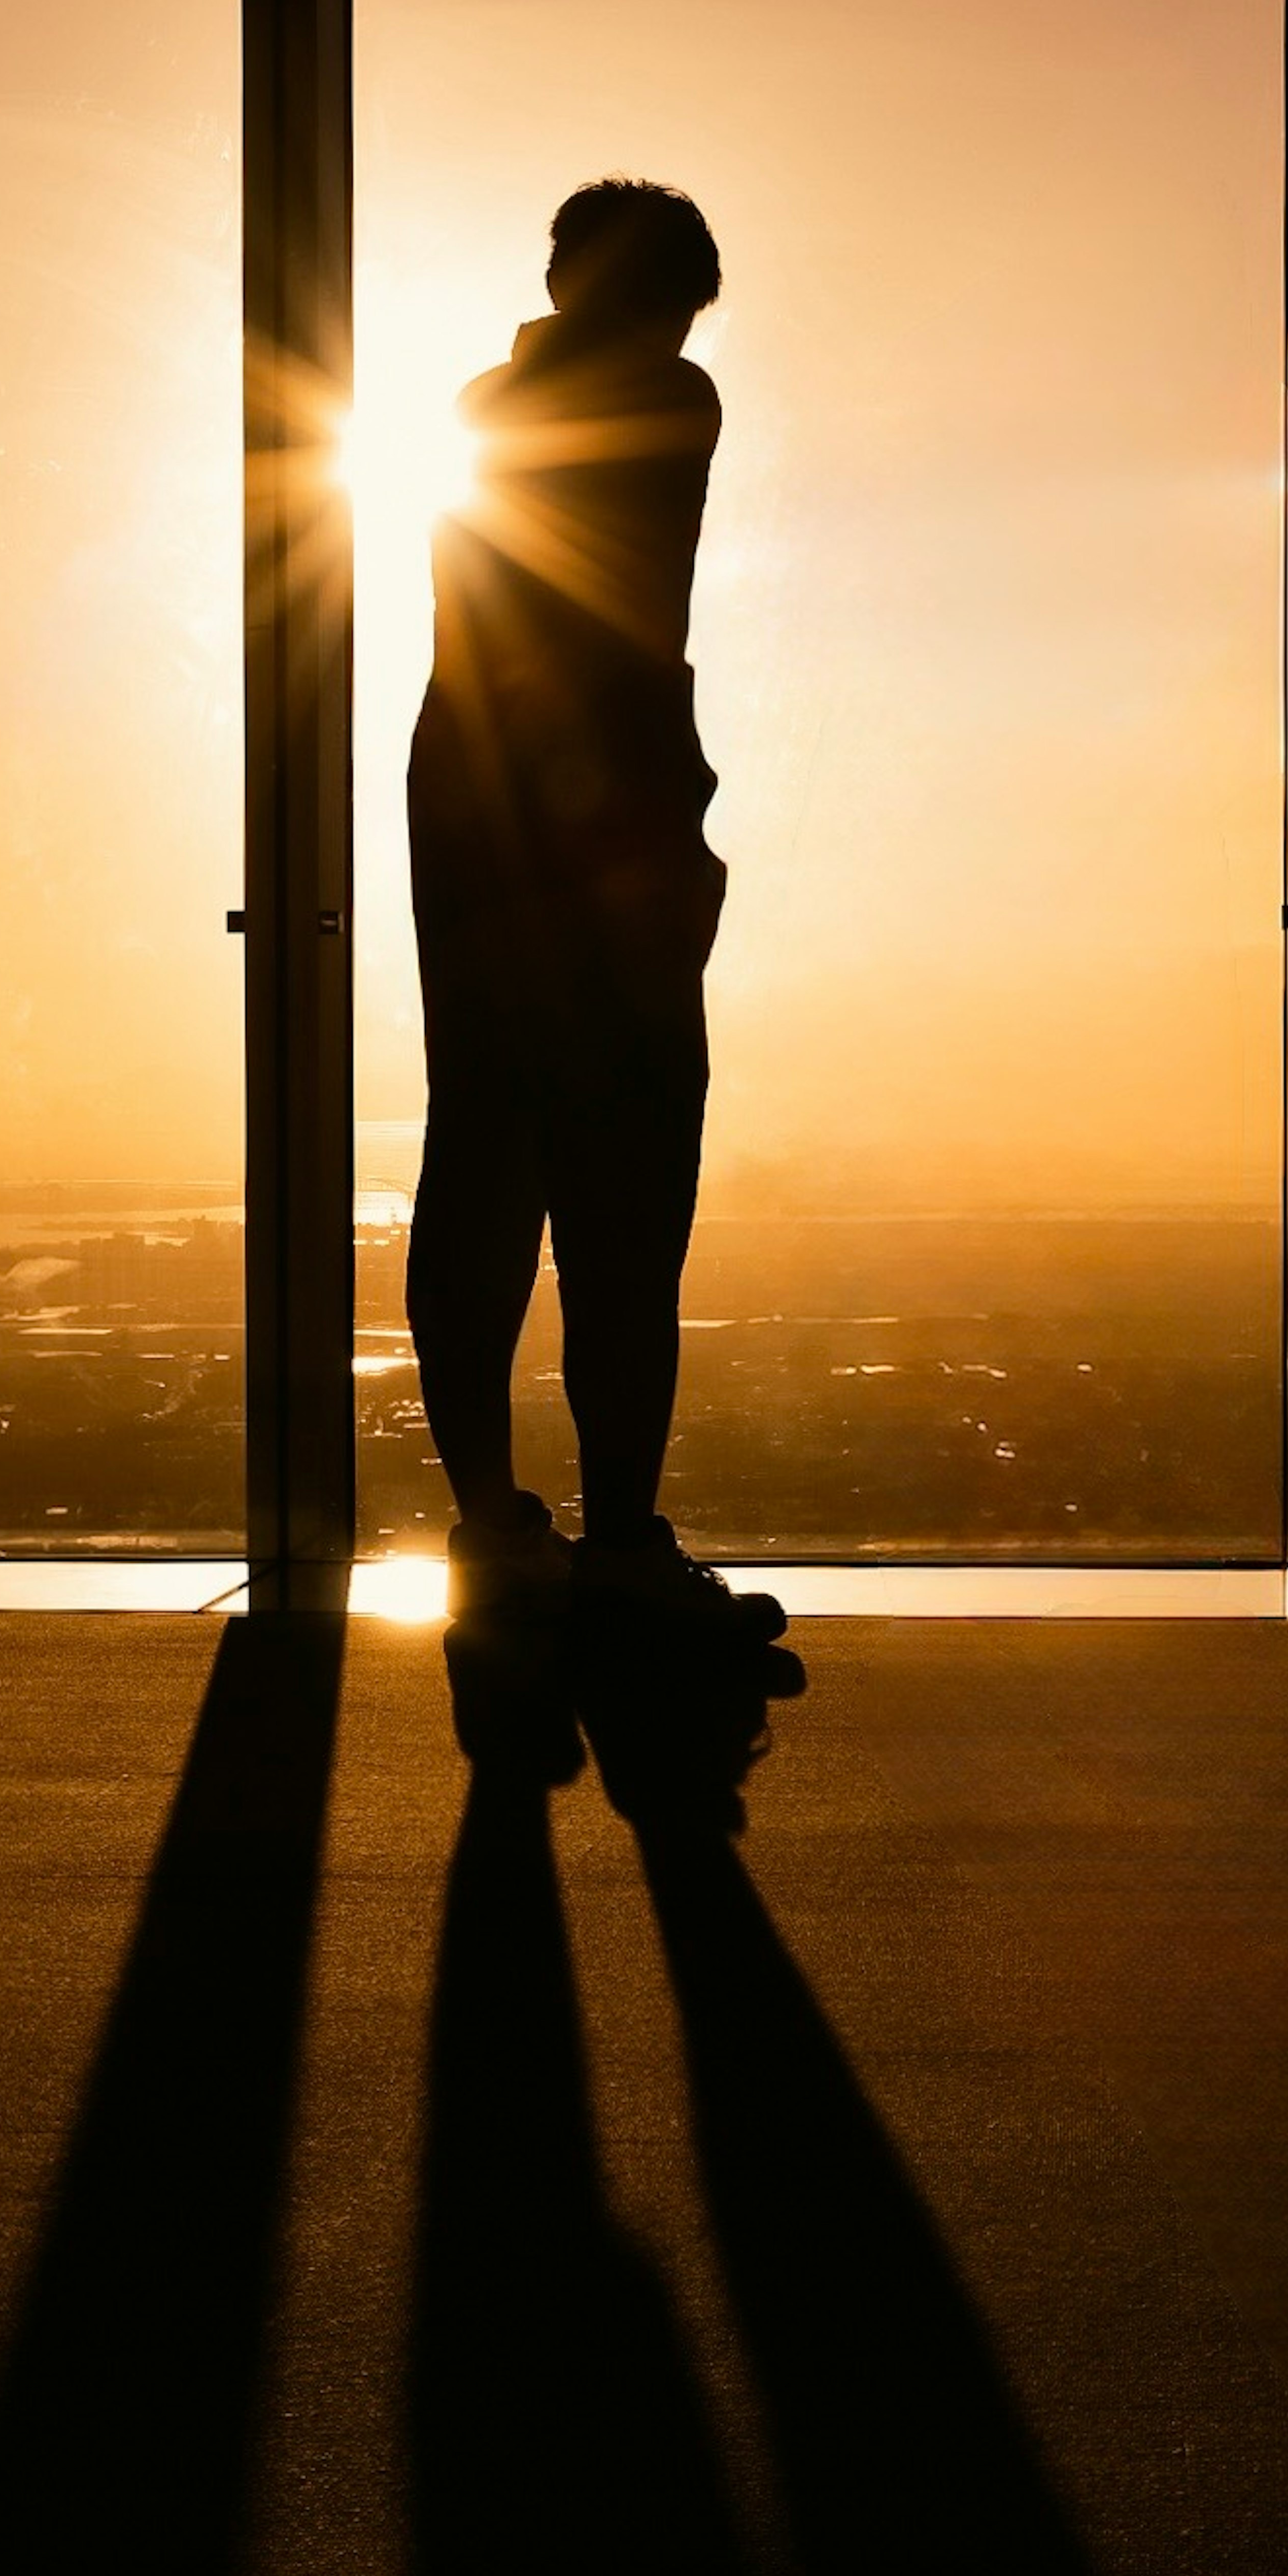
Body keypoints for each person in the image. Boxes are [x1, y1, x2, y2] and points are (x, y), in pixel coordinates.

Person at [405, 179, 783, 1639]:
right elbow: (623, 627)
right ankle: (618, 1547)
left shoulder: (482, 409)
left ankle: (495, 1532)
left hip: (473, 799)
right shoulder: (672, 402)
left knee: (484, 1160)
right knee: (625, 1190)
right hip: (599, 820)